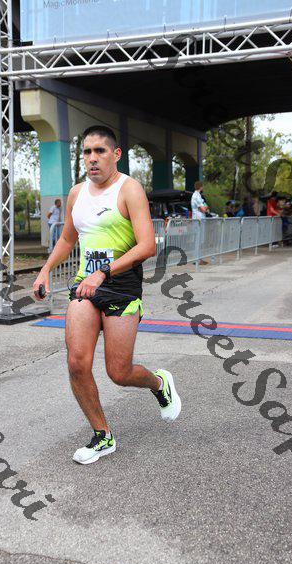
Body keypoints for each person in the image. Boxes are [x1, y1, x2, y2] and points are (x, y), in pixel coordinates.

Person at [33, 125, 181, 465]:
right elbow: (67, 238)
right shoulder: (76, 193)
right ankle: (102, 436)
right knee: (76, 362)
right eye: (87, 151)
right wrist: (45, 269)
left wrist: (104, 272)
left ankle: (159, 384)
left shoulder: (129, 189)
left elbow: (147, 246)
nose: (92, 158)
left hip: (121, 287)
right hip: (85, 286)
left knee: (119, 372)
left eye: (99, 151)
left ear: (115, 155)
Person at [191, 181, 209, 265]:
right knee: (198, 239)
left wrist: (204, 207)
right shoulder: (197, 196)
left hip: (199, 219)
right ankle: (197, 259)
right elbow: (204, 209)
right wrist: (206, 207)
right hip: (199, 219)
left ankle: (199, 258)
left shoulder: (197, 195)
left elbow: (203, 208)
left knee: (199, 240)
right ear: (201, 187)